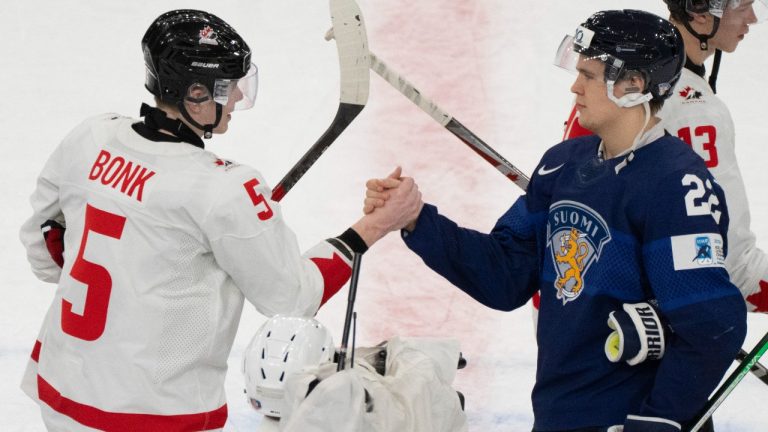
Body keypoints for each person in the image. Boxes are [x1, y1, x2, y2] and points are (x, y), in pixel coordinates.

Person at [18, 9, 410, 431]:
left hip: (59, 390)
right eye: (229, 86)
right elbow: (292, 298)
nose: (238, 97)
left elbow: (43, 248)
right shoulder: (223, 188)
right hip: (152, 416)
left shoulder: (91, 135)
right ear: (196, 95)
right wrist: (373, 227)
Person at [364, 10, 746, 432]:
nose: (575, 86)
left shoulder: (676, 184)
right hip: (559, 415)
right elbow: (505, 275)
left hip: (626, 421)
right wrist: (418, 220)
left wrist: (656, 419)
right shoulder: (563, 165)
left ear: (634, 86)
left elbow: (711, 326)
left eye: (589, 75)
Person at [557, 0, 768, 313]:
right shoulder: (693, 109)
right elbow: (731, 263)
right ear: (700, 16)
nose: (752, 18)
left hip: (568, 292)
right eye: (743, 6)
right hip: (629, 325)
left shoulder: (623, 82)